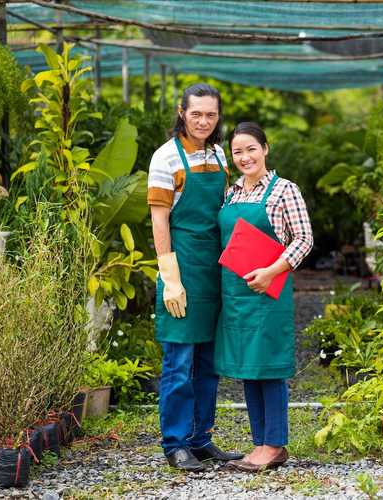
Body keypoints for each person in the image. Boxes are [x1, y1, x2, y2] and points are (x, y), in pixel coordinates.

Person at [148, 83, 243, 472]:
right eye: (196, 113)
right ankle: (175, 443)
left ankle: (201, 438)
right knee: (178, 361)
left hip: (213, 267)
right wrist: (170, 276)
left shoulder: (220, 154)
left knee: (208, 361)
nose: (204, 121)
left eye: (211, 114)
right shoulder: (165, 157)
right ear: (181, 112)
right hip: (182, 265)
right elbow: (159, 219)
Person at [215, 122, 313, 472]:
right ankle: (261, 443)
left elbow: (303, 240)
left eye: (251, 149)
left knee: (269, 367)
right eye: (237, 152)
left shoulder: (285, 190)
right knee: (248, 368)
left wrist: (272, 271)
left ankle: (274, 444)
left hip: (269, 291)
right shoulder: (232, 194)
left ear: (265, 149)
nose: (244, 157)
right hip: (237, 294)